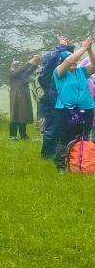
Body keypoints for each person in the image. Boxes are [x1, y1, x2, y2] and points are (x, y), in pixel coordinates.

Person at [52, 38, 95, 170]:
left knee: (84, 136)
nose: (74, 62)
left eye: (75, 61)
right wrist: (82, 48)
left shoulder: (81, 71)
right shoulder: (59, 72)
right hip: (66, 110)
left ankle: (81, 162)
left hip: (86, 109)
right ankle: (60, 164)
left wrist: (89, 50)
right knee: (66, 137)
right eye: (71, 61)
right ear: (62, 62)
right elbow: (69, 61)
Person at [38, 36, 75, 159]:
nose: (60, 61)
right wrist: (60, 46)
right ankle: (47, 153)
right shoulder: (47, 72)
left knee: (64, 126)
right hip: (52, 101)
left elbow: (69, 59)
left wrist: (69, 47)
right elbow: (54, 58)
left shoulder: (61, 70)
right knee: (52, 128)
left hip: (64, 101)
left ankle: (62, 151)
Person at [9, 56, 41, 140]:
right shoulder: (12, 73)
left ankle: (23, 134)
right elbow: (22, 70)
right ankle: (12, 136)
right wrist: (31, 61)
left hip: (24, 95)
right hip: (16, 96)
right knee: (15, 114)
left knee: (23, 114)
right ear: (14, 67)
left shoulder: (22, 74)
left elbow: (29, 70)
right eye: (19, 65)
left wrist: (36, 63)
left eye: (21, 65)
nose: (21, 67)